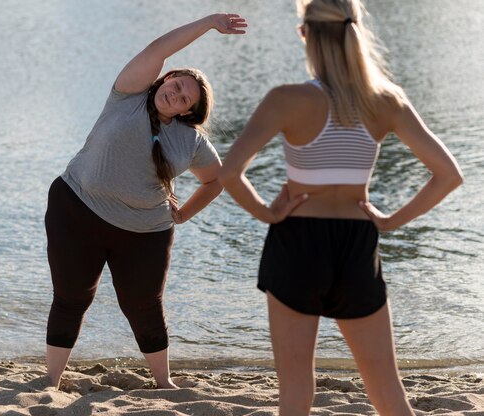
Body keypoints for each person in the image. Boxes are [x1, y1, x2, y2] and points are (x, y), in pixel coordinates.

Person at [219, 0, 462, 414]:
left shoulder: (286, 99)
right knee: (387, 390)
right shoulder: (385, 100)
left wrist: (267, 212)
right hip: (356, 243)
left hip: (297, 242)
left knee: (295, 391)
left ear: (306, 35)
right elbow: (449, 175)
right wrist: (390, 221)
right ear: (355, 31)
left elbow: (229, 173)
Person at [43, 14, 247, 389]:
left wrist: (183, 213)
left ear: (187, 111)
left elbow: (217, 179)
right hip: (76, 210)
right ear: (167, 78)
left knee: (144, 308)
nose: (176, 94)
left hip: (144, 232)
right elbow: (159, 49)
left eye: (185, 98)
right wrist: (208, 23)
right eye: (177, 84)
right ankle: (50, 382)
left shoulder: (191, 141)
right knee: (71, 299)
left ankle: (163, 383)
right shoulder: (128, 95)